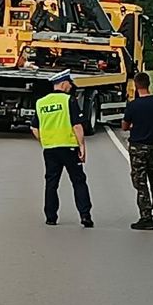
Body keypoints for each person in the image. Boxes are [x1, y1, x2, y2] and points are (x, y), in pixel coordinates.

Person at [30, 70, 93, 228]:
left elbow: (34, 128)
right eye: (69, 83)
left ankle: (51, 217)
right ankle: (85, 215)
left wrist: (45, 140)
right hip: (69, 147)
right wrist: (82, 146)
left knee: (51, 183)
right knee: (78, 181)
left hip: (50, 149)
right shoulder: (68, 100)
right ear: (63, 83)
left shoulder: (41, 102)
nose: (71, 86)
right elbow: (77, 125)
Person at [122, 72, 153, 230]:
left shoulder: (134, 105)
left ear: (136, 85)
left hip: (138, 146)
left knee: (140, 182)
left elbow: (125, 126)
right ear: (149, 84)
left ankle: (146, 216)